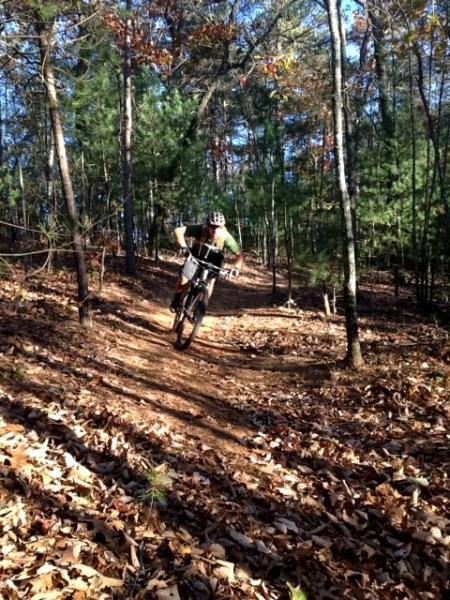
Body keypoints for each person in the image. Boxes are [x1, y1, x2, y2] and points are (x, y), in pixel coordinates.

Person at [170, 211, 244, 312]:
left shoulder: (226, 237)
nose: (215, 230)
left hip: (214, 259)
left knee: (210, 282)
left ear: (222, 227)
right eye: (212, 226)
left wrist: (236, 268)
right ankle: (176, 299)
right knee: (184, 277)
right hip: (196, 255)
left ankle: (201, 308)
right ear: (207, 225)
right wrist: (183, 246)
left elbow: (240, 254)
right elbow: (178, 231)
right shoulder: (200, 229)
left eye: (218, 227)